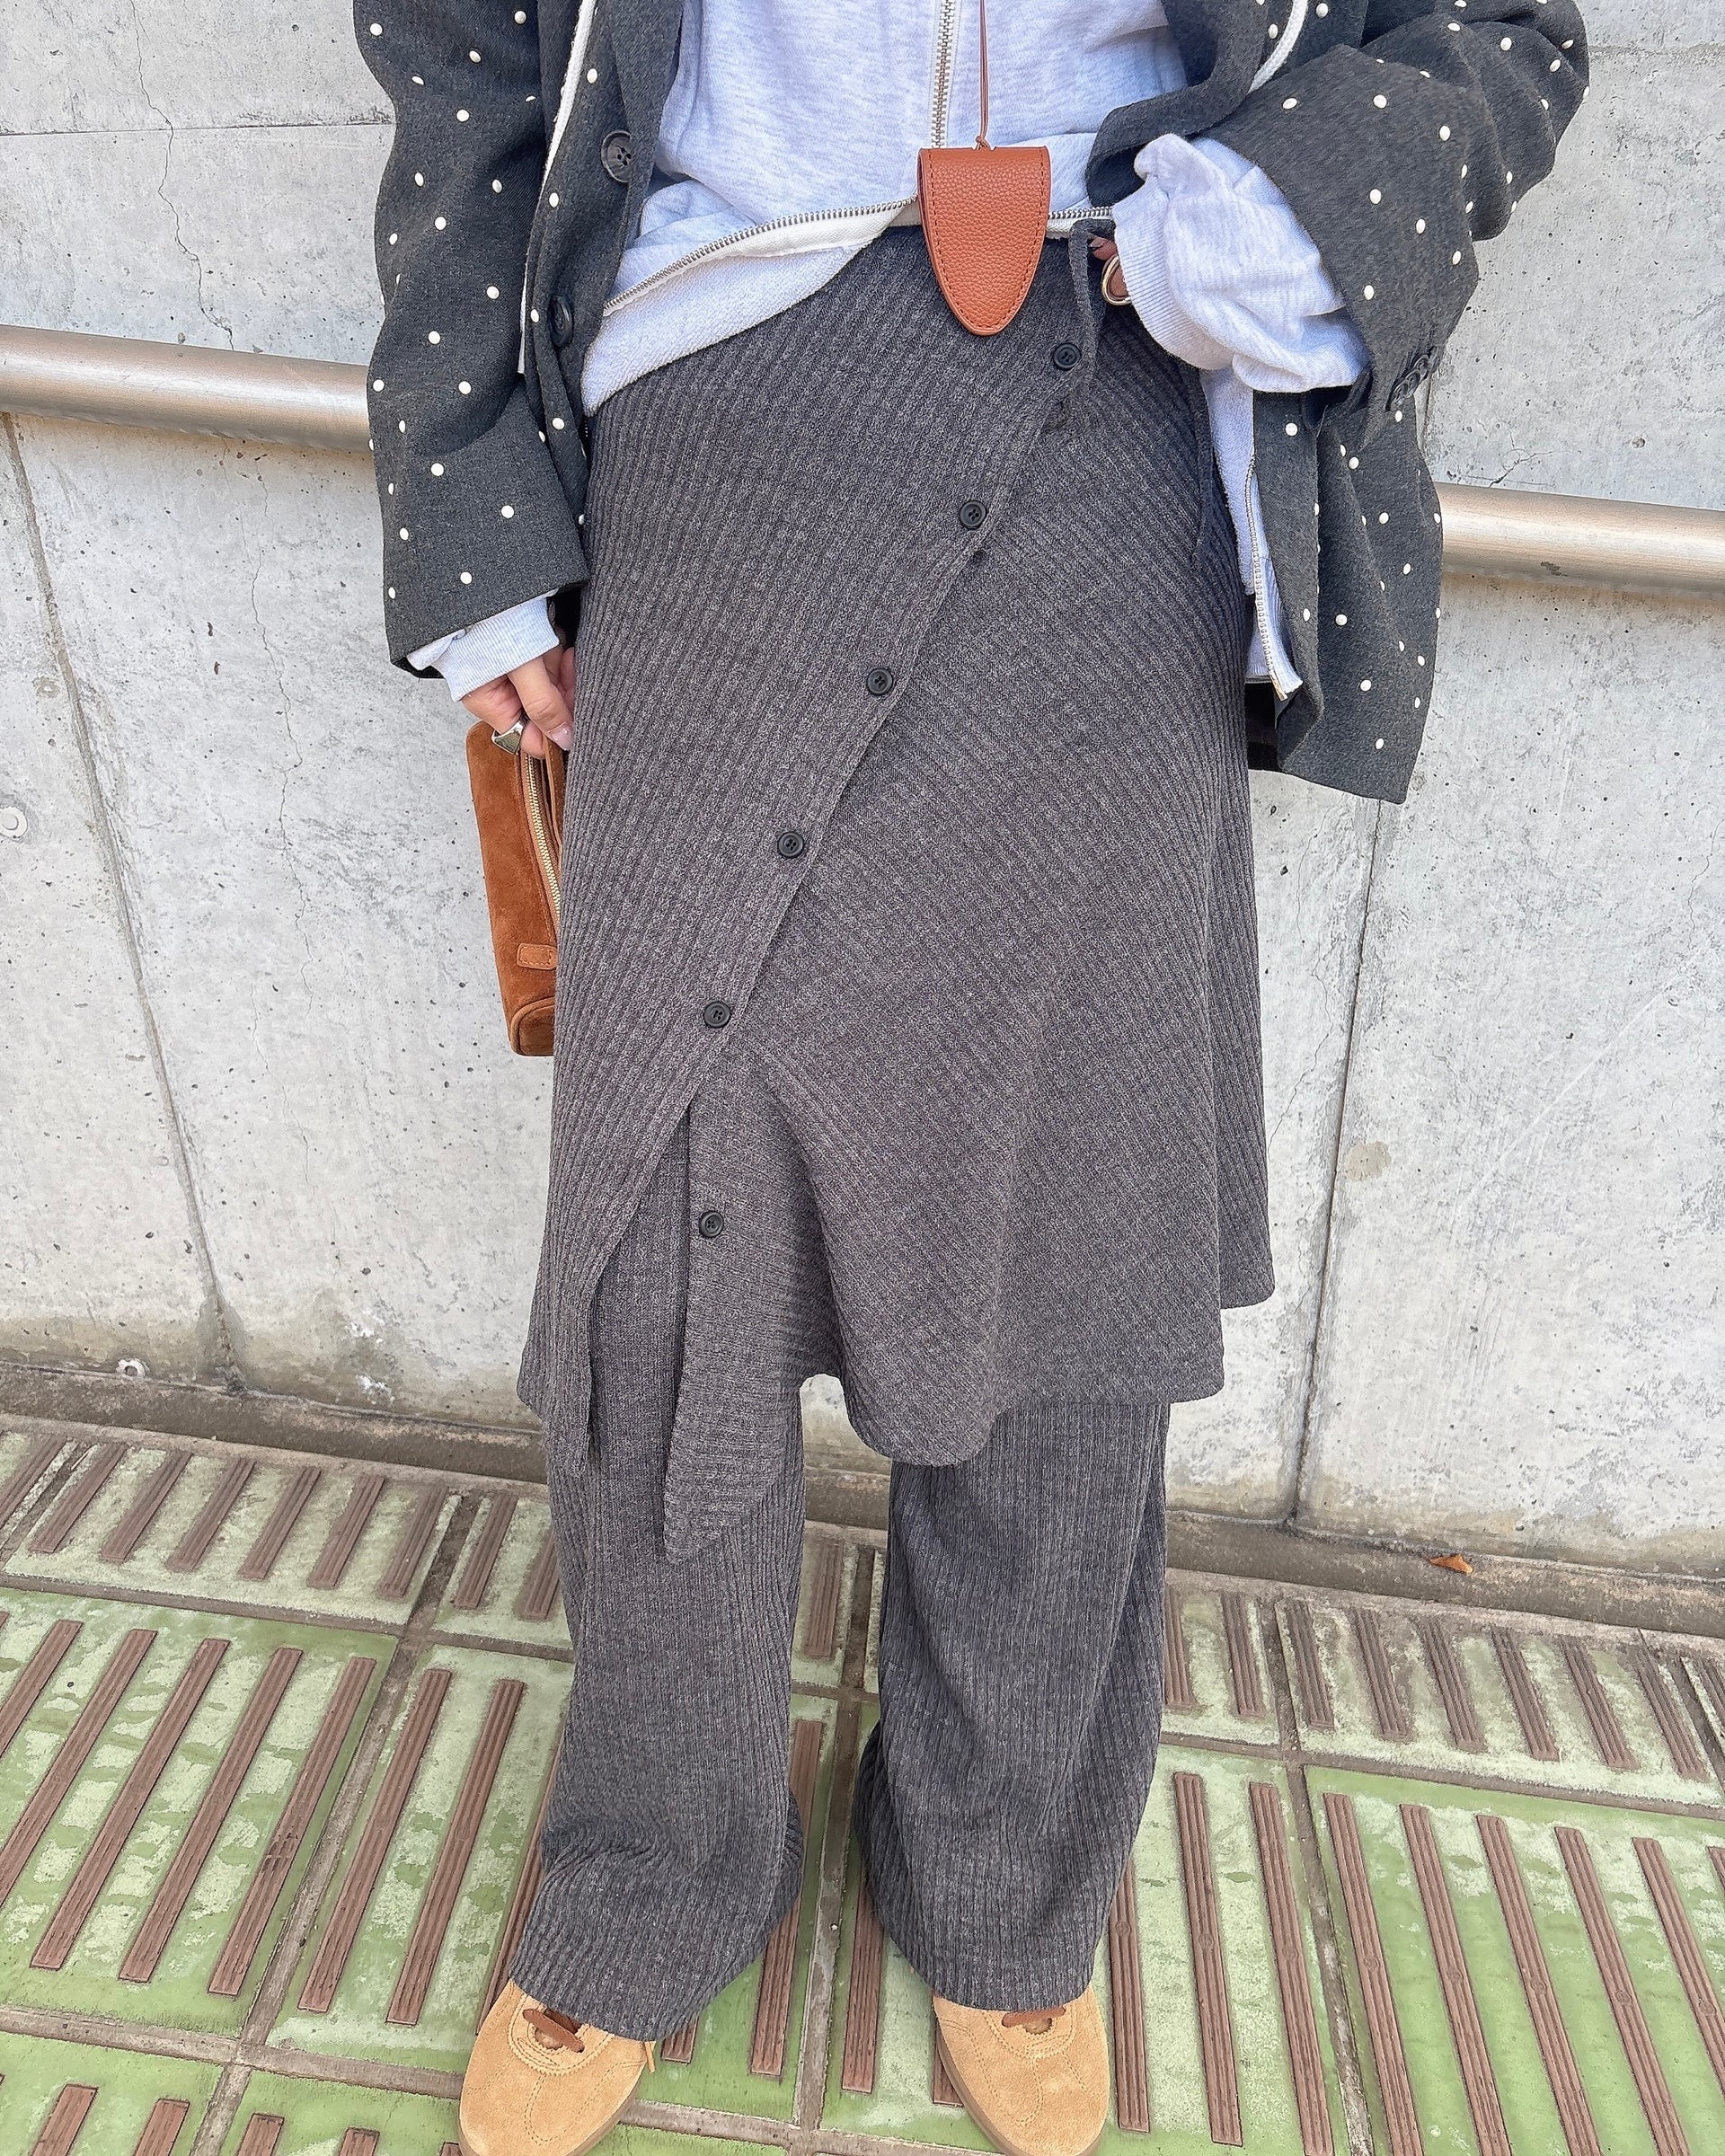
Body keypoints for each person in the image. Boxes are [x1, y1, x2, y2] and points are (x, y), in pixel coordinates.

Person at [353, 4, 1587, 2153]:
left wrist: (1282, 219)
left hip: (1128, 407)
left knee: (1061, 1223)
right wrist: (465, 491)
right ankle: (651, 1871)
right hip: (710, 399)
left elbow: (1498, 27)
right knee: (663, 1252)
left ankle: (1007, 1881)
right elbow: (465, 46)